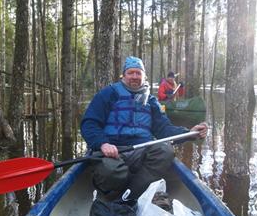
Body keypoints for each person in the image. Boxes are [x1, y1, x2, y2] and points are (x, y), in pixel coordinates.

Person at [80, 56, 207, 202]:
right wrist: (102, 143)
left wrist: (190, 133)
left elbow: (164, 130)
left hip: (142, 150)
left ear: (144, 76)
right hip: (113, 150)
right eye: (131, 73)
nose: (135, 76)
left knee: (165, 151)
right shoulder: (108, 94)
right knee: (112, 172)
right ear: (124, 75)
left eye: (138, 73)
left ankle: (129, 195)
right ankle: (124, 192)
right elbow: (89, 123)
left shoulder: (151, 101)